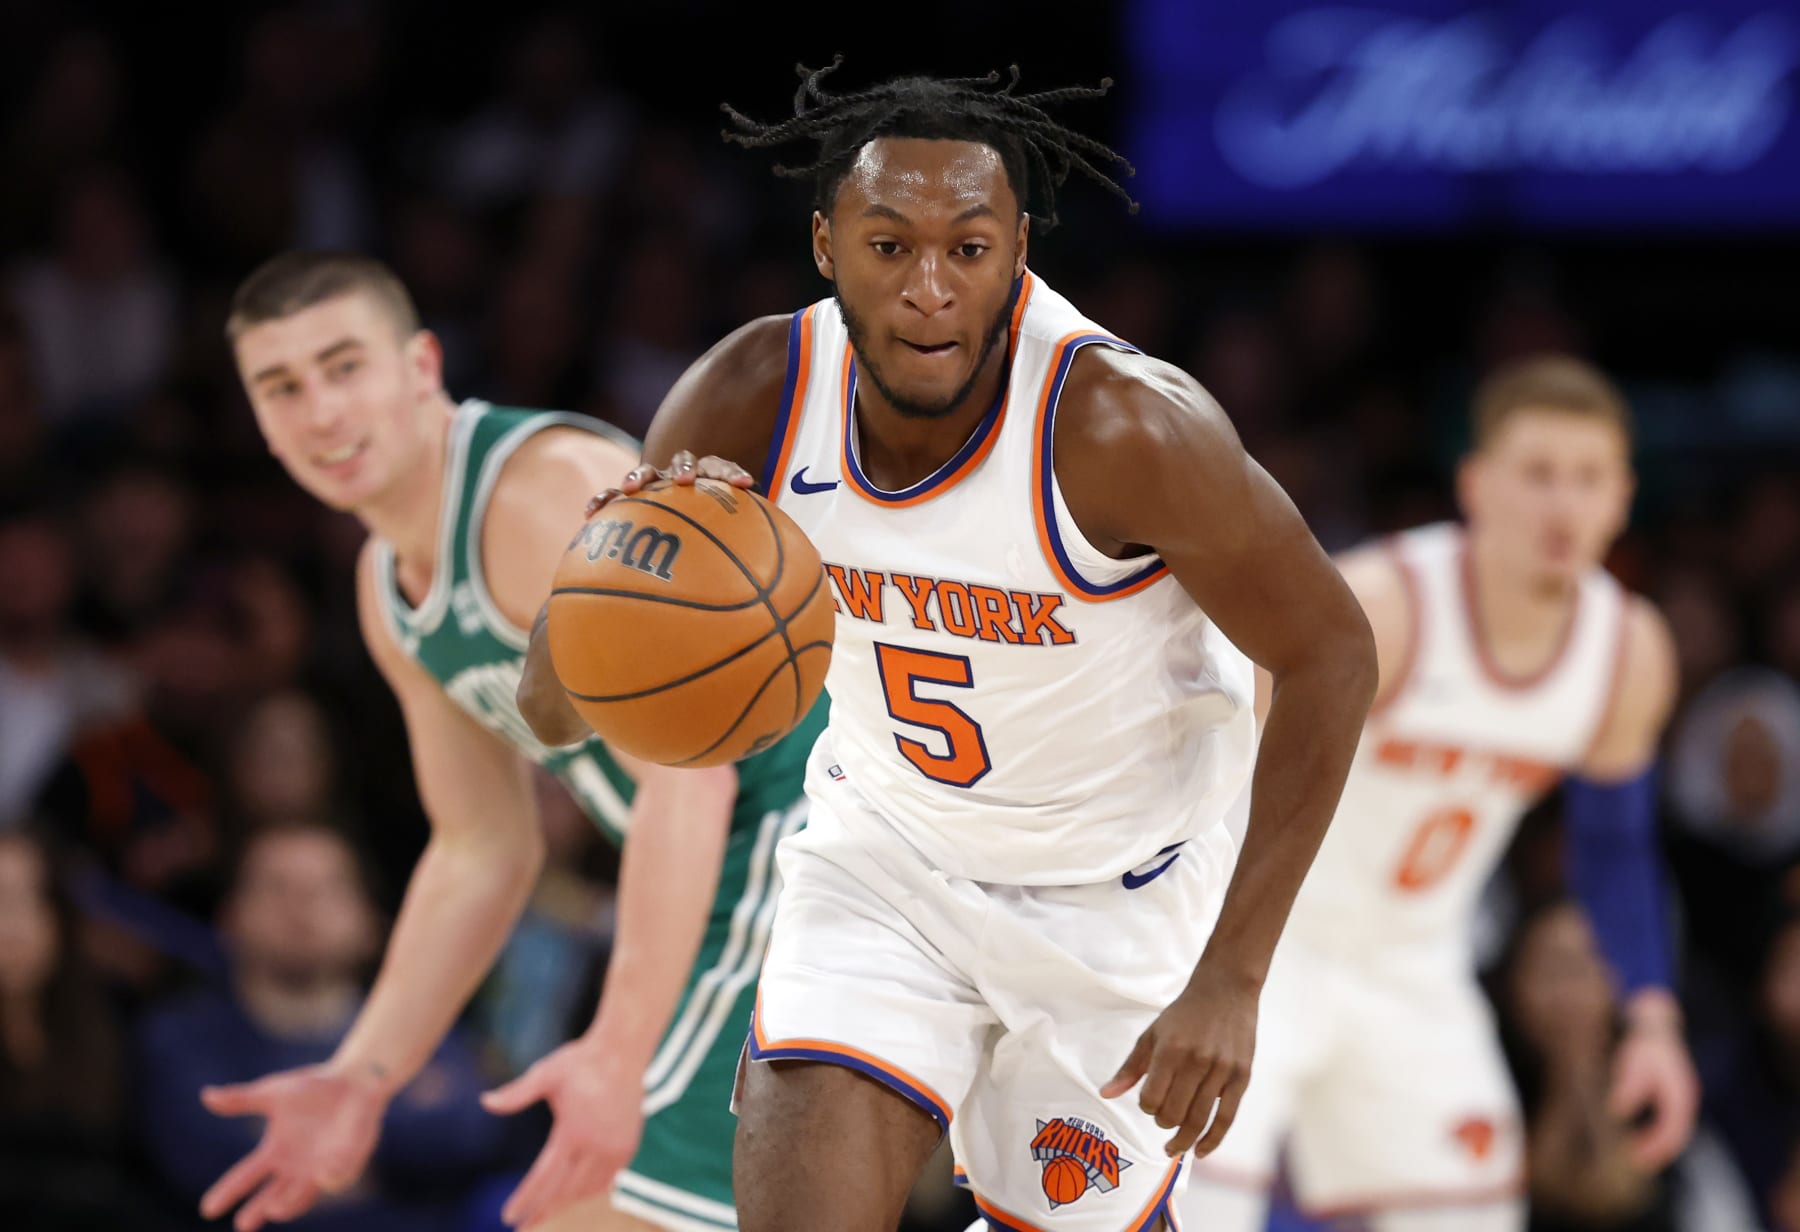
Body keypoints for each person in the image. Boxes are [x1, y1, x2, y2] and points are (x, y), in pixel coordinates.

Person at [524, 64, 1379, 1232]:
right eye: (889, 246)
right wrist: (616, 571)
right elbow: (552, 705)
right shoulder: (749, 396)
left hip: (1115, 895)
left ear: (1017, 250)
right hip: (886, 859)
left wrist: (1233, 973)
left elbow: (1333, 653)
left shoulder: (1124, 427)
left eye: (968, 250)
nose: (929, 288)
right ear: (826, 245)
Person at [202, 251, 825, 1232]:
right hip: (750, 869)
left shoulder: (540, 494)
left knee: (591, 1209)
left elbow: (692, 779)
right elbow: (481, 848)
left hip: (805, 839)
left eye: (343, 366)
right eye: (281, 386)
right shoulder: (387, 590)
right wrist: (362, 1075)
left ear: (420, 366)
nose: (318, 411)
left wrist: (617, 1049)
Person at [1182, 356, 1699, 1231]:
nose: (1563, 504)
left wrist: (1652, 1020)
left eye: (1589, 478)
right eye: (1538, 473)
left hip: (1414, 968)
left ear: (1622, 498)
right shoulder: (1384, 606)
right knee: (1183, 1207)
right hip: (1256, 947)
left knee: (1474, 1214)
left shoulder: (1629, 653)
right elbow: (1198, 748)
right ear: (1477, 484)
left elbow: (1613, 848)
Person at [138, 821, 516, 1232]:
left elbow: (469, 1134)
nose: (301, 906)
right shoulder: (180, 1035)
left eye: (328, 888)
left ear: (371, 923)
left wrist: (309, 1148)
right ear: (230, 917)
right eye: (276, 887)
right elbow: (199, 1159)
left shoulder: (425, 1028)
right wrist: (381, 1135)